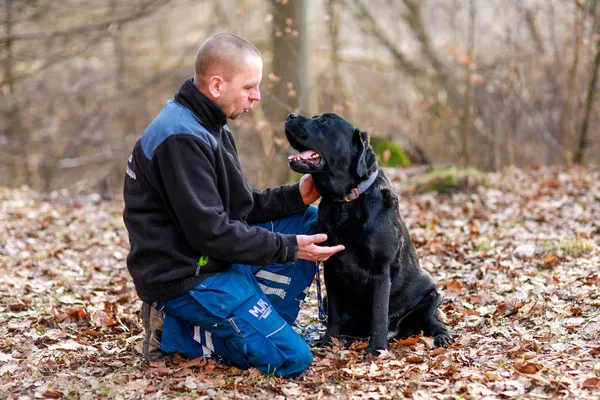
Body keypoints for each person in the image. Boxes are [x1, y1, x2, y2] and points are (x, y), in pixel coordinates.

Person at [122, 32, 344, 378]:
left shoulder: (208, 123)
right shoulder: (181, 139)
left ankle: (261, 324)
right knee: (292, 359)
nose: (257, 96)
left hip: (211, 256)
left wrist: (294, 196)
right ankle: (174, 332)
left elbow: (238, 207)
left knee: (307, 221)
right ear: (216, 85)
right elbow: (212, 235)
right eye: (249, 87)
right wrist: (287, 248)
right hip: (186, 275)